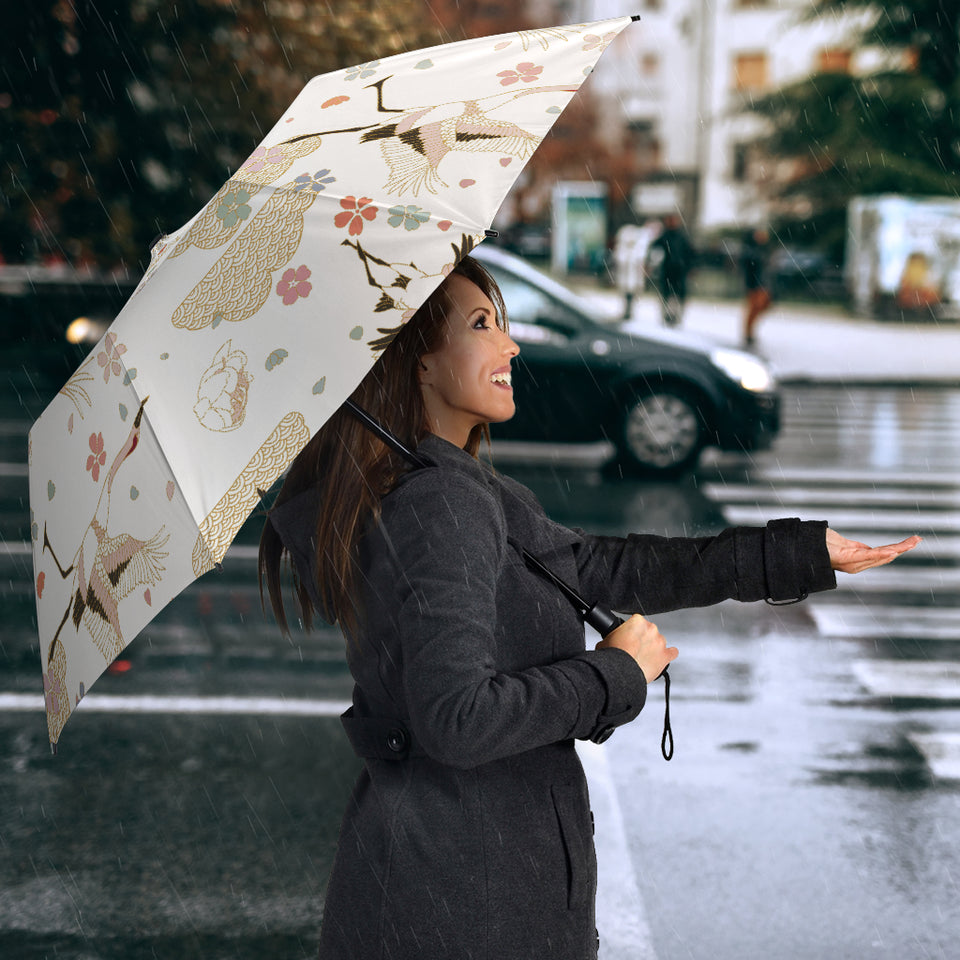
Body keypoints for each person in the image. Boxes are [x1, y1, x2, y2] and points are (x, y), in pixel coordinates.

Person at [258, 256, 919, 960]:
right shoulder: (440, 504)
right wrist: (614, 673)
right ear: (417, 362)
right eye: (483, 325)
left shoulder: (449, 488)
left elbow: (603, 567)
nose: (510, 345)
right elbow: (456, 719)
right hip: (466, 902)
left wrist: (796, 554)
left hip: (454, 883)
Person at [648, 213, 695, 327]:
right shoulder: (665, 236)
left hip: (679, 271)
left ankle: (675, 316)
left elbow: (690, 253)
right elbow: (654, 249)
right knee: (667, 294)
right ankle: (667, 315)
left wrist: (690, 267)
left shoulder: (681, 237)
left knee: (677, 295)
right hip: (668, 270)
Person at [741, 226, 773, 347]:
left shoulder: (763, 249)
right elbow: (750, 265)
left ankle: (750, 331)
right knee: (754, 308)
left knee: (762, 306)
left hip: (763, 283)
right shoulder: (751, 250)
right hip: (755, 284)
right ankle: (748, 333)